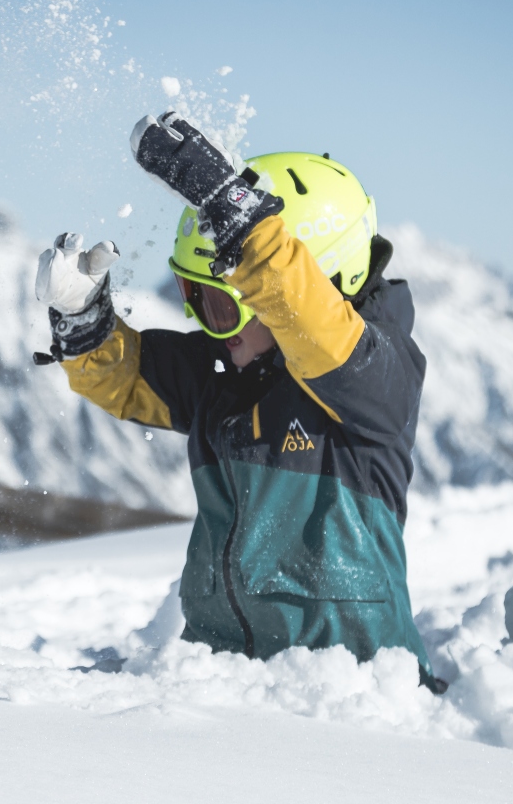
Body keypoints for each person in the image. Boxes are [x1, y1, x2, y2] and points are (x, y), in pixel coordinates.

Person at [34, 112, 444, 691]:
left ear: (319, 285)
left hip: (359, 696)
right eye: (194, 297)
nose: (216, 329)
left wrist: (244, 225)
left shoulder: (375, 379)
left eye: (225, 304)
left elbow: (324, 336)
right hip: (223, 685)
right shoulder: (224, 375)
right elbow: (128, 380)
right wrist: (84, 325)